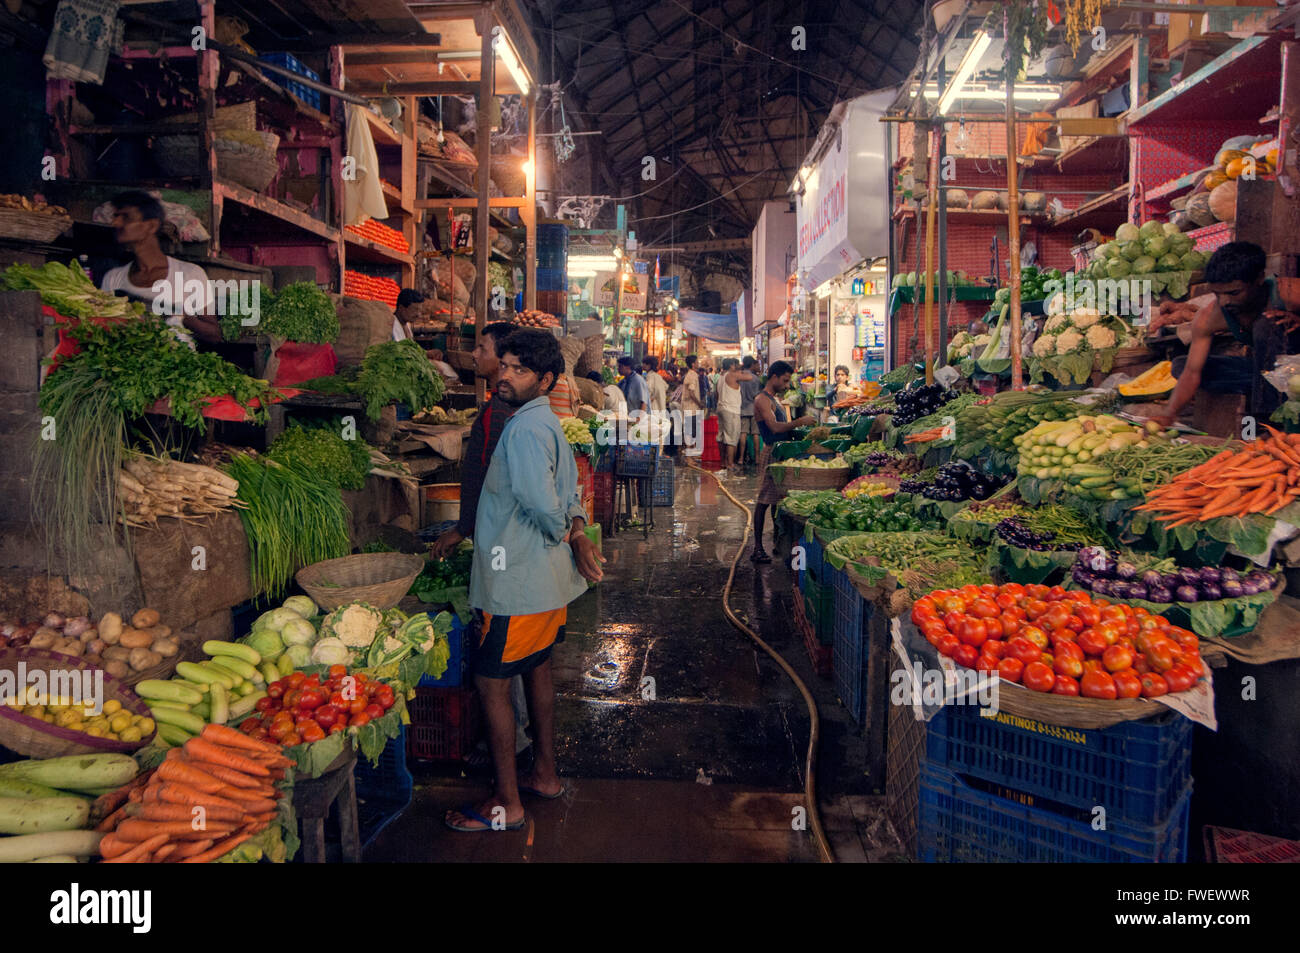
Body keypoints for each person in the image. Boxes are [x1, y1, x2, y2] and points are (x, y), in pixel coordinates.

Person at [444, 329, 604, 833]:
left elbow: (541, 504)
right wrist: (574, 528)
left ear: (547, 380)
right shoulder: (544, 422)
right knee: (536, 669)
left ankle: (507, 805)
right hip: (543, 586)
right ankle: (545, 775)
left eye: (519, 370)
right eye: (505, 365)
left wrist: (571, 535)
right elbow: (567, 491)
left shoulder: (524, 430)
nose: (505, 376)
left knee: (491, 683)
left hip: (516, 583)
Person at [430, 321, 532, 764]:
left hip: (502, 547)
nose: (475, 355)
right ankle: (519, 742)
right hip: (500, 542)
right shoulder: (500, 408)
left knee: (499, 661)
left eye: (483, 348)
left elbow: (494, 482)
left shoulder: (507, 415)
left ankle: (511, 752)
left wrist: (464, 529)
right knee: (524, 655)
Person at [1149, 242, 1300, 426]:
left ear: (1259, 278)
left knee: (1265, 325)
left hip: (1296, 371)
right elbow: (1192, 373)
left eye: (1234, 292)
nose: (1225, 301)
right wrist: (1169, 415)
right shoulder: (1209, 316)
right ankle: (1264, 389)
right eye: (1217, 294)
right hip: (1268, 373)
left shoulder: (1290, 292)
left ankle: (1266, 422)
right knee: (1182, 365)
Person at [100, 190, 221, 346]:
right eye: (115, 217)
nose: (115, 223)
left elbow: (214, 334)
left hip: (176, 364)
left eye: (126, 217)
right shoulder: (113, 278)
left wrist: (181, 315)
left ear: (151, 225)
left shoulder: (189, 274)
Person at [750, 360, 816, 563]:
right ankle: (758, 548)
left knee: (777, 500)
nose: (787, 385)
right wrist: (799, 422)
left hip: (780, 452)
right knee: (764, 501)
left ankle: (780, 543)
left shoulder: (773, 398)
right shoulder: (762, 399)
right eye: (785, 380)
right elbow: (775, 428)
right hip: (772, 453)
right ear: (774, 377)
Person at [717, 357, 756, 473]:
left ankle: (723, 462)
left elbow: (716, 394)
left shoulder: (721, 377)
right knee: (731, 438)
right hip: (731, 410)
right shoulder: (731, 375)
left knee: (722, 437)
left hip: (721, 407)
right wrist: (742, 369)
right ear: (731, 366)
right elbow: (750, 377)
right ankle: (730, 464)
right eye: (735, 365)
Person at [739, 356, 762, 468]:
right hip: (754, 409)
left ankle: (741, 458)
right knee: (755, 434)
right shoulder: (755, 378)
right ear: (751, 364)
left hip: (742, 408)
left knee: (743, 433)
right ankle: (757, 458)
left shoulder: (739, 378)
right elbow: (757, 395)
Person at [681, 355, 706, 455]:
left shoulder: (690, 374)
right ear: (693, 364)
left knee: (691, 433)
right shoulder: (693, 375)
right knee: (690, 434)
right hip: (691, 409)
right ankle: (689, 457)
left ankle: (691, 456)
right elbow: (691, 393)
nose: (698, 363)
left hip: (690, 408)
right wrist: (699, 404)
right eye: (697, 362)